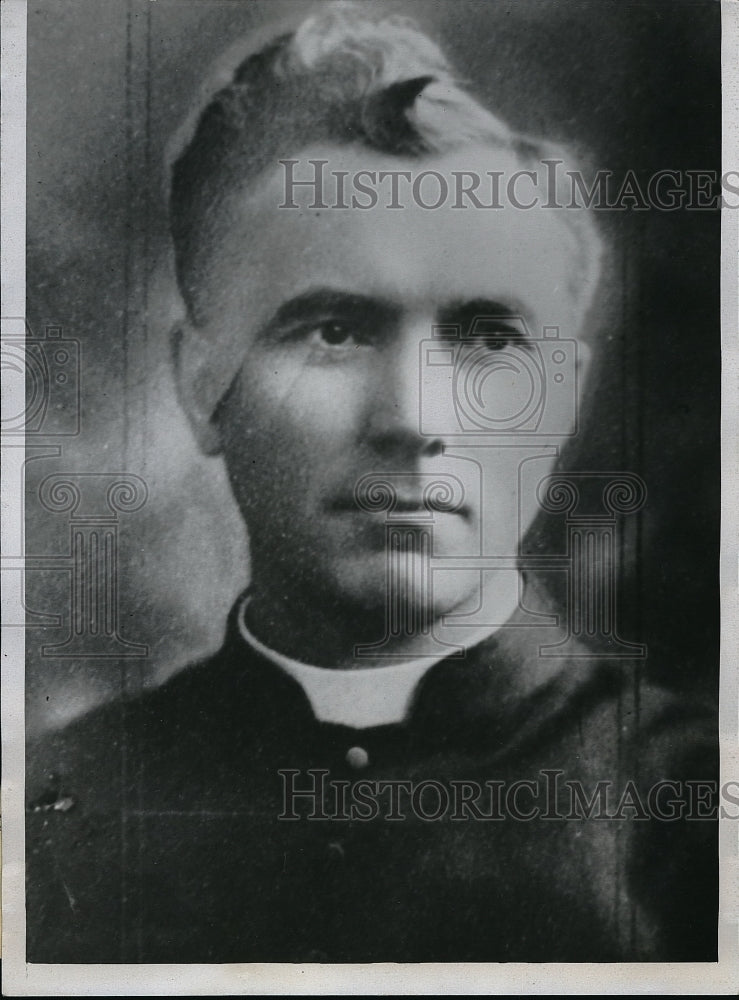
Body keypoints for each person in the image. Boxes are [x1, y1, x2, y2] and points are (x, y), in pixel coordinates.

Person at [26, 3, 717, 963]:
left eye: (487, 338)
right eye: (335, 331)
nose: (414, 420)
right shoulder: (50, 813)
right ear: (198, 386)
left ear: (562, 398)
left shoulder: (698, 828)